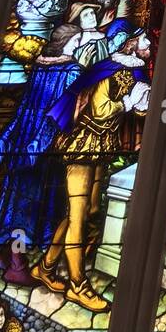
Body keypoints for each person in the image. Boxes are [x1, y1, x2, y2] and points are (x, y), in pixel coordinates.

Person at [35, 22, 152, 310]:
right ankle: (77, 284)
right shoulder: (110, 70)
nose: (149, 45)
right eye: (144, 40)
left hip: (102, 147)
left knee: (88, 210)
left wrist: (140, 105)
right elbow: (100, 111)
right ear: (129, 44)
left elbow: (135, 107)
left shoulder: (130, 71)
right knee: (78, 215)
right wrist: (127, 104)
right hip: (83, 146)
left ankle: (46, 268)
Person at [0, 23, 83, 283]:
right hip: (44, 148)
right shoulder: (72, 71)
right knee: (28, 209)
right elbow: (57, 115)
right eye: (76, 41)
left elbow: (23, 110)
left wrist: (6, 140)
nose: (78, 46)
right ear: (66, 42)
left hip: (25, 139)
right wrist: (38, 145)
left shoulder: (40, 67)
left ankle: (5, 256)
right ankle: (17, 265)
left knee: (16, 202)